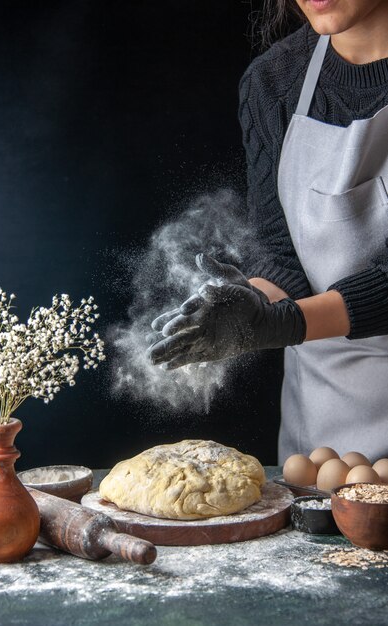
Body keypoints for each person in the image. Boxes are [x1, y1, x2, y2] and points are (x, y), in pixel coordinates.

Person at [147, 0, 388, 463]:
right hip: (323, 434)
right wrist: (253, 305)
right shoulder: (276, 82)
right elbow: (282, 248)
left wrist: (288, 322)